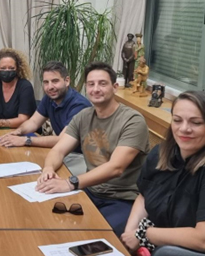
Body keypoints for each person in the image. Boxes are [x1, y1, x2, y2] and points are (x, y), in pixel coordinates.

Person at [121, 91, 205, 256]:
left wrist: (143, 234)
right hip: (158, 247)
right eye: (177, 120)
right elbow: (144, 196)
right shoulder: (160, 153)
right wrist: (129, 236)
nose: (184, 129)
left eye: (196, 122)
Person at [36, 62, 150, 235]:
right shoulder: (83, 117)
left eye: (102, 84)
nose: (96, 89)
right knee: (47, 221)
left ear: (115, 87)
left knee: (95, 236)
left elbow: (116, 167)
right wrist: (48, 169)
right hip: (90, 190)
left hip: (122, 198)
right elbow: (58, 150)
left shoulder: (133, 120)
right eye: (91, 84)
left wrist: (70, 183)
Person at [0, 61, 91, 148]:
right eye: (46, 82)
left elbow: (62, 140)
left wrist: (26, 140)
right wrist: (17, 132)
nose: (50, 87)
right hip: (63, 150)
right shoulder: (49, 98)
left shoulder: (79, 105)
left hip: (81, 155)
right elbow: (33, 122)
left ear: (67, 81)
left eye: (55, 81)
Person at [0, 48, 36, 130]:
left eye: (11, 68)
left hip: (22, 130)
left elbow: (23, 119)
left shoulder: (25, 86)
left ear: (17, 69)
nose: (7, 71)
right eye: (3, 68)